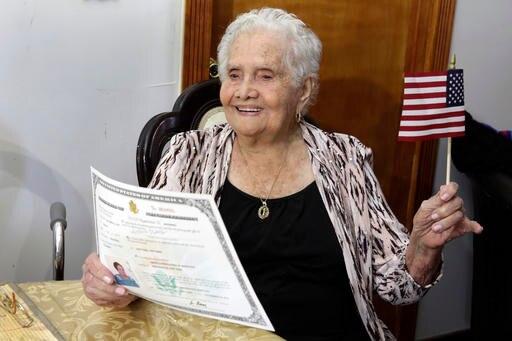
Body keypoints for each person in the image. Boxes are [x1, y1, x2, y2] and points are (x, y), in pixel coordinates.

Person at [81, 7, 483, 340]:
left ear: (303, 90)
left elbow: (398, 288)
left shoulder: (345, 158)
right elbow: (141, 268)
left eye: (266, 75)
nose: (243, 91)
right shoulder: (188, 154)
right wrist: (112, 281)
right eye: (234, 74)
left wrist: (423, 247)